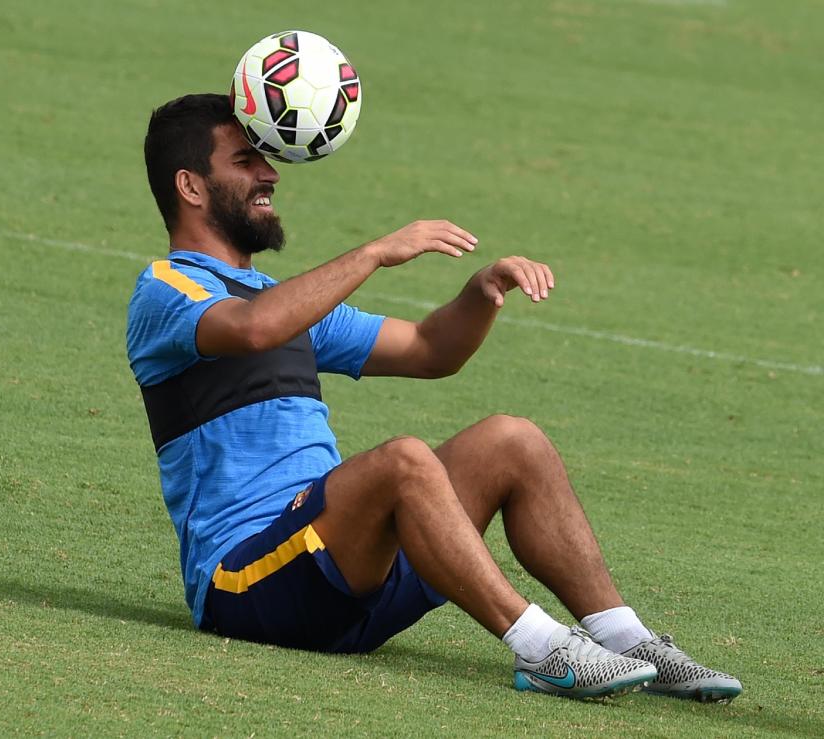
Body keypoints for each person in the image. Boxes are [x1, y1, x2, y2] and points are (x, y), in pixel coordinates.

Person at [126, 93, 742, 702]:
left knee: (512, 440)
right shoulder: (166, 289)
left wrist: (481, 292)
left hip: (340, 574)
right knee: (403, 460)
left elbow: (429, 349)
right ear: (191, 186)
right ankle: (544, 647)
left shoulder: (288, 303)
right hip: (248, 587)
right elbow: (252, 328)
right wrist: (373, 252)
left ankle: (628, 640)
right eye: (244, 161)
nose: (269, 174)